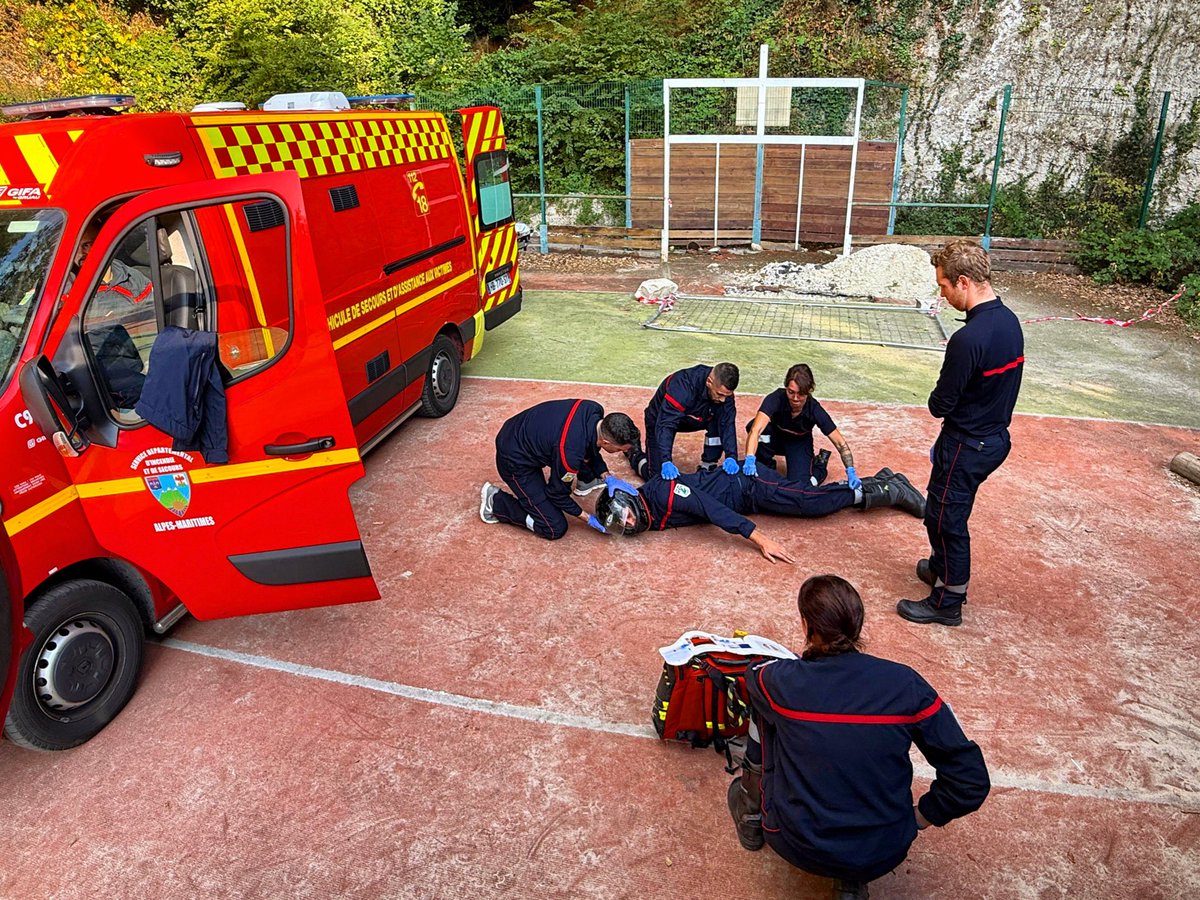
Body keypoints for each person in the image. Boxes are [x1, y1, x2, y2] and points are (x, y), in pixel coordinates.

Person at [727, 575, 990, 899]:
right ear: (858, 626)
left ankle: (751, 814)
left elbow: (752, 679)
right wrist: (917, 819)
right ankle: (853, 877)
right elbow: (971, 780)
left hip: (795, 841)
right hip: (885, 850)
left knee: (765, 712)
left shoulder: (779, 680)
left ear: (807, 625)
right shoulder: (905, 684)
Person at [897, 240, 1024, 627]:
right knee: (946, 510)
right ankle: (939, 566)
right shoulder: (1009, 321)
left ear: (964, 282)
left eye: (944, 286)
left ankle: (947, 600)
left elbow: (941, 403)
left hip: (966, 443)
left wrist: (939, 399)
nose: (942, 293)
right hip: (994, 437)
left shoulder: (968, 339)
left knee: (945, 518)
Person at [592, 466, 924, 562]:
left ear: (630, 501)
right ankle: (880, 480)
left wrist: (759, 537)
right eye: (622, 525)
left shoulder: (662, 493)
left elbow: (713, 509)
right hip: (746, 496)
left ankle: (888, 490)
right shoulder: (650, 506)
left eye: (626, 516)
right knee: (805, 494)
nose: (630, 523)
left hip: (747, 485)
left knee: (812, 505)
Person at [480, 399, 639, 540]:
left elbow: (590, 446)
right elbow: (556, 495)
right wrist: (588, 518)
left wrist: (607, 476)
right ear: (606, 442)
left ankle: (587, 479)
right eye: (619, 450)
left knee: (574, 457)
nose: (619, 453)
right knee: (553, 526)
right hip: (514, 459)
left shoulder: (593, 409)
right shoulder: (570, 454)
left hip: (520, 430)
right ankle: (495, 502)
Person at [743, 363, 859, 488]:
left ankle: (820, 466)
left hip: (798, 443)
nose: (795, 398)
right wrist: (749, 458)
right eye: (791, 392)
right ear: (786, 387)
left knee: (800, 487)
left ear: (809, 390)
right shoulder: (775, 398)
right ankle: (765, 465)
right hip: (777, 437)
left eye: (801, 394)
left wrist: (851, 471)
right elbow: (756, 430)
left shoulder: (815, 410)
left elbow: (840, 443)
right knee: (755, 427)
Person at [628, 363, 740, 481]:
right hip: (661, 419)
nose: (723, 399)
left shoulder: (724, 393)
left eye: (727, 395)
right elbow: (666, 425)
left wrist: (731, 456)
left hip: (698, 416)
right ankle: (634, 454)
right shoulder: (683, 386)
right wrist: (666, 460)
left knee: (719, 418)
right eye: (720, 394)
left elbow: (727, 423)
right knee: (656, 477)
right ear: (709, 382)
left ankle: (708, 464)